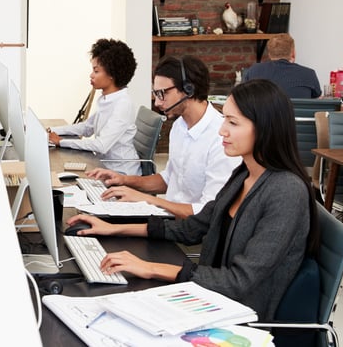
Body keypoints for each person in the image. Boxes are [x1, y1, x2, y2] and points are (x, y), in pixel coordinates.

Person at [66, 79, 318, 322]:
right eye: (223, 119)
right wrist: (114, 228)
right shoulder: (245, 173)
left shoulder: (286, 191)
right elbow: (194, 227)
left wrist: (151, 268)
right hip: (211, 297)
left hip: (242, 315)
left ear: (265, 128)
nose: (222, 130)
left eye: (232, 122)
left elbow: (239, 281)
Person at [88, 56, 239, 218]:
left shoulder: (221, 139)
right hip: (169, 219)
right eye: (156, 94)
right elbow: (169, 179)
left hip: (193, 234)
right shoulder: (179, 126)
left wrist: (147, 200)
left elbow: (208, 212)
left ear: (189, 89)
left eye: (162, 94)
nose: (158, 103)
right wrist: (124, 180)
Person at [48, 38, 140, 175]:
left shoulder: (123, 104)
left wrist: (61, 142)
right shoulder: (106, 99)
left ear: (112, 75)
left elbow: (101, 145)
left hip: (121, 173)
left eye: (96, 71)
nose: (91, 75)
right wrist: (52, 130)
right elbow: (86, 128)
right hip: (104, 166)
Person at [242, 33, 321, 98]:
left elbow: (243, 97)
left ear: (269, 54)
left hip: (262, 117)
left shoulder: (254, 71)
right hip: (295, 117)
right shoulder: (309, 74)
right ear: (293, 53)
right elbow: (317, 98)